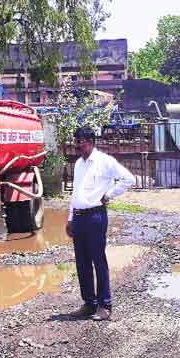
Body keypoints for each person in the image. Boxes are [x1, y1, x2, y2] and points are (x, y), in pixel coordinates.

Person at [65, 127, 134, 322]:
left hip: (95, 217)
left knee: (98, 261)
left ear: (91, 141)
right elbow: (75, 193)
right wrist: (70, 218)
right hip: (79, 217)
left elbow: (128, 178)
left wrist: (109, 194)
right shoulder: (79, 164)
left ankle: (105, 305)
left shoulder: (105, 162)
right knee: (82, 262)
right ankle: (89, 303)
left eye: (81, 142)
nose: (78, 146)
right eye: (76, 141)